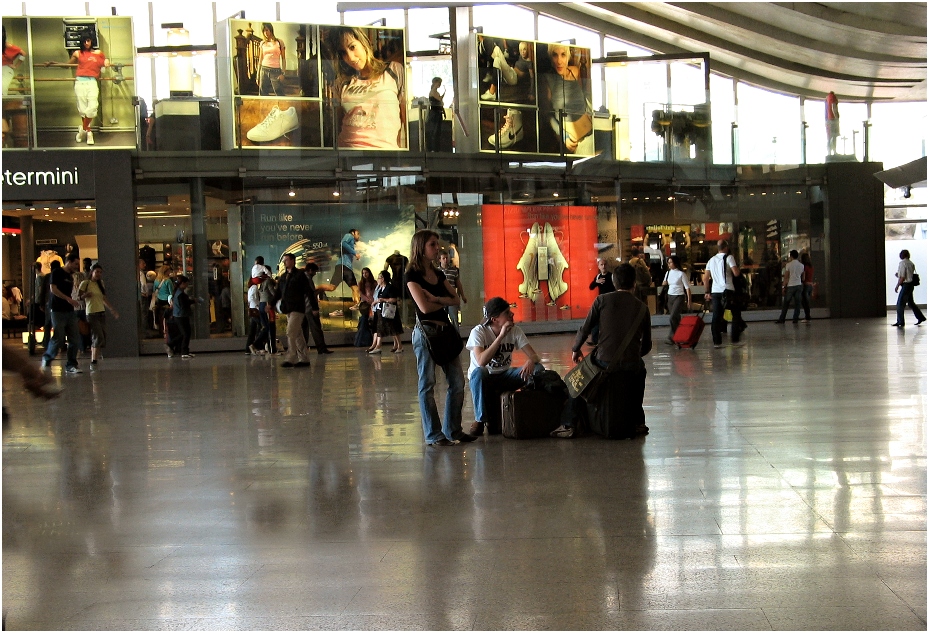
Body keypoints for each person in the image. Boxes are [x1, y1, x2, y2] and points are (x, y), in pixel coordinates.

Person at [551, 264, 652, 439]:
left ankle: (568, 423)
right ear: (634, 283)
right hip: (632, 364)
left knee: (579, 378)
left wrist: (576, 349)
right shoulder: (643, 308)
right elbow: (647, 345)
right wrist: (632, 355)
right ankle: (638, 422)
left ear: (614, 282)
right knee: (640, 372)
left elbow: (586, 328)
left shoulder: (602, 300)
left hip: (603, 361)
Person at [406, 229, 474, 446]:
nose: (437, 249)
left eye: (437, 245)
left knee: (457, 381)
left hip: (445, 331)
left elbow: (455, 300)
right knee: (427, 383)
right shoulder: (412, 275)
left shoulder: (440, 274)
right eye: (432, 245)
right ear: (421, 248)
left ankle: (453, 429)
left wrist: (436, 297)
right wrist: (440, 300)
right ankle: (433, 434)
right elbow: (424, 308)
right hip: (426, 334)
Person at [466, 297, 543, 437]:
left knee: (538, 369)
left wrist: (531, 360)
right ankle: (480, 419)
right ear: (495, 319)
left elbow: (535, 356)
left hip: (505, 375)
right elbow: (481, 361)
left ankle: (529, 409)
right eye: (507, 313)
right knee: (479, 372)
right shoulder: (478, 332)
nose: (512, 314)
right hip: (485, 378)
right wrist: (501, 336)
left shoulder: (515, 330)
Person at [328, 26, 406, 149]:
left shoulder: (393, 70)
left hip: (384, 152)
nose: (350, 57)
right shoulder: (342, 82)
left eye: (352, 47)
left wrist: (405, 157)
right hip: (347, 153)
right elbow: (337, 123)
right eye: (343, 52)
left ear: (363, 42)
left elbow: (404, 117)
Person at [45, 30, 109, 145]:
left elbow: (105, 61)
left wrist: (107, 61)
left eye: (88, 40)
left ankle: (83, 130)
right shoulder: (77, 53)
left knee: (93, 107)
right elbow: (67, 65)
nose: (86, 43)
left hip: (92, 82)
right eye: (84, 41)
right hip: (80, 82)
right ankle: (88, 132)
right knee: (83, 109)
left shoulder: (98, 52)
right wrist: (53, 63)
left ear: (91, 41)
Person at [540, 43, 592, 154]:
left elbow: (583, 97)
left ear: (568, 56)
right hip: (573, 142)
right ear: (550, 57)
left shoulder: (575, 71)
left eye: (563, 55)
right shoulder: (547, 79)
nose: (559, 61)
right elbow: (547, 115)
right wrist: (564, 137)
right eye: (555, 55)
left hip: (591, 133)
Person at [41, 254, 83, 374]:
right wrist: (68, 299)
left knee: (74, 338)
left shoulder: (70, 276)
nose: (77, 266)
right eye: (75, 264)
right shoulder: (57, 272)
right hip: (57, 310)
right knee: (58, 337)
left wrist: (72, 301)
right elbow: (53, 289)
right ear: (68, 262)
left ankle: (71, 364)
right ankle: (48, 357)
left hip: (69, 311)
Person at [77, 263, 119, 368]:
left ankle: (94, 357)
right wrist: (85, 295)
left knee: (102, 336)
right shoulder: (85, 283)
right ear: (92, 272)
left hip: (101, 312)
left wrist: (112, 309)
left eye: (100, 272)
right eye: (97, 272)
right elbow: (79, 297)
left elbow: (103, 299)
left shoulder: (101, 284)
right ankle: (94, 361)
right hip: (91, 313)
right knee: (98, 336)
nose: (99, 274)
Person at [274, 252, 312, 368]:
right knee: (297, 334)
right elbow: (278, 292)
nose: (284, 263)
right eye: (284, 261)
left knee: (290, 332)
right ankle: (304, 358)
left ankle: (291, 357)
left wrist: (314, 307)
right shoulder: (284, 277)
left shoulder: (300, 275)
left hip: (297, 308)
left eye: (286, 260)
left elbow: (308, 291)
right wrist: (271, 304)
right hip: (288, 309)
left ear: (292, 261)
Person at [704, 239, 744, 347]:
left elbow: (705, 278)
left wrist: (707, 291)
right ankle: (735, 340)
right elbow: (736, 273)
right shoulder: (729, 257)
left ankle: (717, 342)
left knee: (716, 316)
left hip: (715, 292)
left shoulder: (711, 260)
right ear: (726, 247)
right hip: (728, 290)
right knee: (736, 314)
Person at [367, 270, 402, 354]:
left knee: (393, 329)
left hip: (388, 311)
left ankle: (399, 345)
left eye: (379, 278)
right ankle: (378, 345)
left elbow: (393, 299)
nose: (378, 279)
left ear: (383, 279)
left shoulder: (389, 288)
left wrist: (381, 300)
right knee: (380, 329)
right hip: (380, 311)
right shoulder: (380, 288)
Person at [303, 262, 333, 354]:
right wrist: (320, 290)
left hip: (302, 308)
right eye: (315, 272)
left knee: (304, 330)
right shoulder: (307, 279)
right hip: (310, 308)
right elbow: (311, 294)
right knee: (316, 328)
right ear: (310, 270)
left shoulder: (301, 278)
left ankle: (302, 349)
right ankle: (321, 348)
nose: (315, 274)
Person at [330, 229, 361, 316]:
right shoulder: (349, 236)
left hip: (340, 266)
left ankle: (317, 290)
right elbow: (343, 243)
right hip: (345, 266)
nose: (359, 236)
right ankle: (357, 304)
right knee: (355, 288)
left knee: (331, 287)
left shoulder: (351, 241)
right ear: (353, 233)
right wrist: (355, 253)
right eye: (358, 234)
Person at [662, 255, 691, 344]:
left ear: (675, 263)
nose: (669, 264)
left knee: (672, 317)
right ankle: (681, 336)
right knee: (676, 319)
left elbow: (687, 288)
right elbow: (664, 283)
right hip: (670, 296)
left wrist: (689, 301)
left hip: (679, 296)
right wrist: (665, 282)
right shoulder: (668, 273)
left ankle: (673, 337)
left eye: (670, 262)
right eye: (668, 263)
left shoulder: (681, 274)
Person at [893, 249, 926, 327]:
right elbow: (909, 275)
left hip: (906, 285)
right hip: (911, 285)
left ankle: (900, 321)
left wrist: (897, 286)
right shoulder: (911, 263)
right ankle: (920, 317)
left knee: (900, 304)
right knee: (911, 303)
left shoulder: (902, 263)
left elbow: (903, 277)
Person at [587, 257, 615, 345]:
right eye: (601, 265)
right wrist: (597, 282)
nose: (603, 266)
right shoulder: (598, 276)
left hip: (610, 302)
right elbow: (591, 287)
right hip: (601, 302)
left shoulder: (612, 276)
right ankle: (595, 340)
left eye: (605, 264)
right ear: (598, 266)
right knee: (596, 320)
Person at [169, 276, 198, 359]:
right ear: (182, 283)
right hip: (181, 315)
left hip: (179, 315)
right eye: (186, 283)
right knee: (185, 333)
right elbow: (183, 304)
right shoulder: (180, 294)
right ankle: (183, 351)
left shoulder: (177, 292)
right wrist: (192, 301)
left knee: (185, 333)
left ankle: (181, 349)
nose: (187, 285)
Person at [438, 251, 466, 330]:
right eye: (443, 258)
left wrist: (463, 296)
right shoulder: (436, 271)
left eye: (447, 258)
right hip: (441, 298)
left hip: (452, 297)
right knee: (442, 319)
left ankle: (456, 337)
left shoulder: (453, 270)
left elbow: (458, 284)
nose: (445, 260)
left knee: (454, 319)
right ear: (440, 259)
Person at [776, 250, 805, 325]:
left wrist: (783, 286)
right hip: (798, 285)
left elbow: (786, 277)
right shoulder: (802, 265)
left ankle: (782, 319)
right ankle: (795, 319)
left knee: (786, 303)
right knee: (797, 303)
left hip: (791, 286)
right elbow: (803, 278)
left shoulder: (788, 265)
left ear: (791, 256)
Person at [257, 23, 286, 96]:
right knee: (263, 93)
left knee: (279, 93)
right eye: (263, 31)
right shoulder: (262, 43)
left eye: (267, 30)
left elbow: (283, 59)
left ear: (271, 29)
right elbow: (260, 60)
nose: (265, 33)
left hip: (275, 71)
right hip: (264, 70)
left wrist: (283, 73)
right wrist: (258, 76)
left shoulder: (279, 42)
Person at [2, 26, 26, 98]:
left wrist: (16, 65)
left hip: (6, 69)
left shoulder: (8, 46)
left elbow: (23, 53)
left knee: (2, 88)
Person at [152, 265, 174, 334]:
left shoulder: (156, 280)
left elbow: (154, 290)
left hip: (159, 300)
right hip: (167, 300)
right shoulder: (168, 281)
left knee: (161, 316)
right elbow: (171, 292)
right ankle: (167, 330)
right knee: (168, 316)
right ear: (166, 272)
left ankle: (161, 330)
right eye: (169, 271)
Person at [426, 76, 446, 152]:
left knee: (437, 131)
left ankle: (436, 147)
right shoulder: (433, 92)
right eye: (439, 83)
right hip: (435, 113)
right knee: (434, 131)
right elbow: (439, 100)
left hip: (438, 113)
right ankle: (433, 148)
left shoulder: (436, 92)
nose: (440, 84)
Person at [800, 252, 814, 323]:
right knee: (807, 301)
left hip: (806, 285)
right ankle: (808, 316)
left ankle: (807, 316)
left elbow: (803, 278)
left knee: (804, 302)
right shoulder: (811, 267)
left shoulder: (804, 267)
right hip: (811, 285)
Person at [826, 90, 840, 156]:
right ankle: (834, 151)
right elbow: (833, 107)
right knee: (834, 136)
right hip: (833, 119)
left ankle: (829, 152)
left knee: (829, 137)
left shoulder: (827, 98)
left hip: (828, 120)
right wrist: (836, 117)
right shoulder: (833, 97)